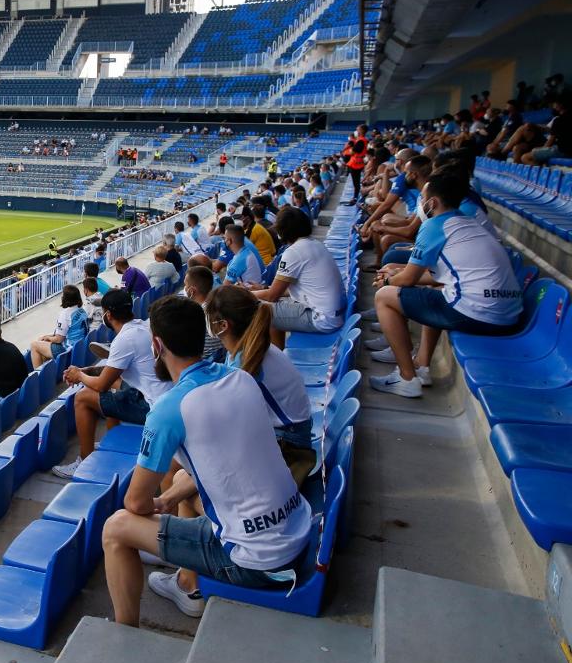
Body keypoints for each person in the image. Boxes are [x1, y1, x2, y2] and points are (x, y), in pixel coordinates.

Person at [101, 296, 312, 622]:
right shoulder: (240, 377)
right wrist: (170, 497)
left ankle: (124, 635)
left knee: (115, 528)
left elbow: (135, 502)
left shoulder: (168, 409)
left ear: (157, 345)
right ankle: (187, 583)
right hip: (295, 531)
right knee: (183, 481)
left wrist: (156, 508)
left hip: (256, 561)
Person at [368, 171, 522, 398]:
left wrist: (389, 280)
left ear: (433, 202)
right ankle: (421, 365)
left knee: (384, 297)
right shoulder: (466, 222)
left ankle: (406, 378)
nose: (420, 202)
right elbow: (441, 277)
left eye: (422, 197)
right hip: (507, 315)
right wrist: (396, 273)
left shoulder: (434, 226)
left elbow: (408, 279)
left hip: (479, 313)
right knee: (438, 290)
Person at [205, 286, 315, 485]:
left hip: (289, 446)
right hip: (294, 434)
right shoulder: (254, 347)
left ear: (222, 325)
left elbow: (231, 422)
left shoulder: (244, 361)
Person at [55, 289, 165, 479]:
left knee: (82, 398)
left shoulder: (124, 339)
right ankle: (113, 439)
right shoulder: (142, 326)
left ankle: (84, 461)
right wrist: (85, 371)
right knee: (114, 384)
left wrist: (79, 376)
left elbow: (100, 386)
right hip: (157, 396)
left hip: (152, 406)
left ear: (108, 315)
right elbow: (111, 374)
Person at [251, 207, 345, 348]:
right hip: (333, 315)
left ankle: (277, 359)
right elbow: (291, 289)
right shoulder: (314, 244)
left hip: (322, 319)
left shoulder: (294, 252)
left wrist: (245, 294)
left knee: (264, 312)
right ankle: (279, 352)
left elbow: (272, 296)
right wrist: (263, 288)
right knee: (276, 310)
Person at [31, 285, 88, 368]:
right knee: (43, 340)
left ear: (66, 298)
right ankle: (47, 371)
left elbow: (58, 339)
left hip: (68, 351)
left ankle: (37, 377)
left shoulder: (65, 314)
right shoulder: (81, 310)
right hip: (79, 348)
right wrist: (47, 336)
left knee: (34, 345)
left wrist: (48, 338)